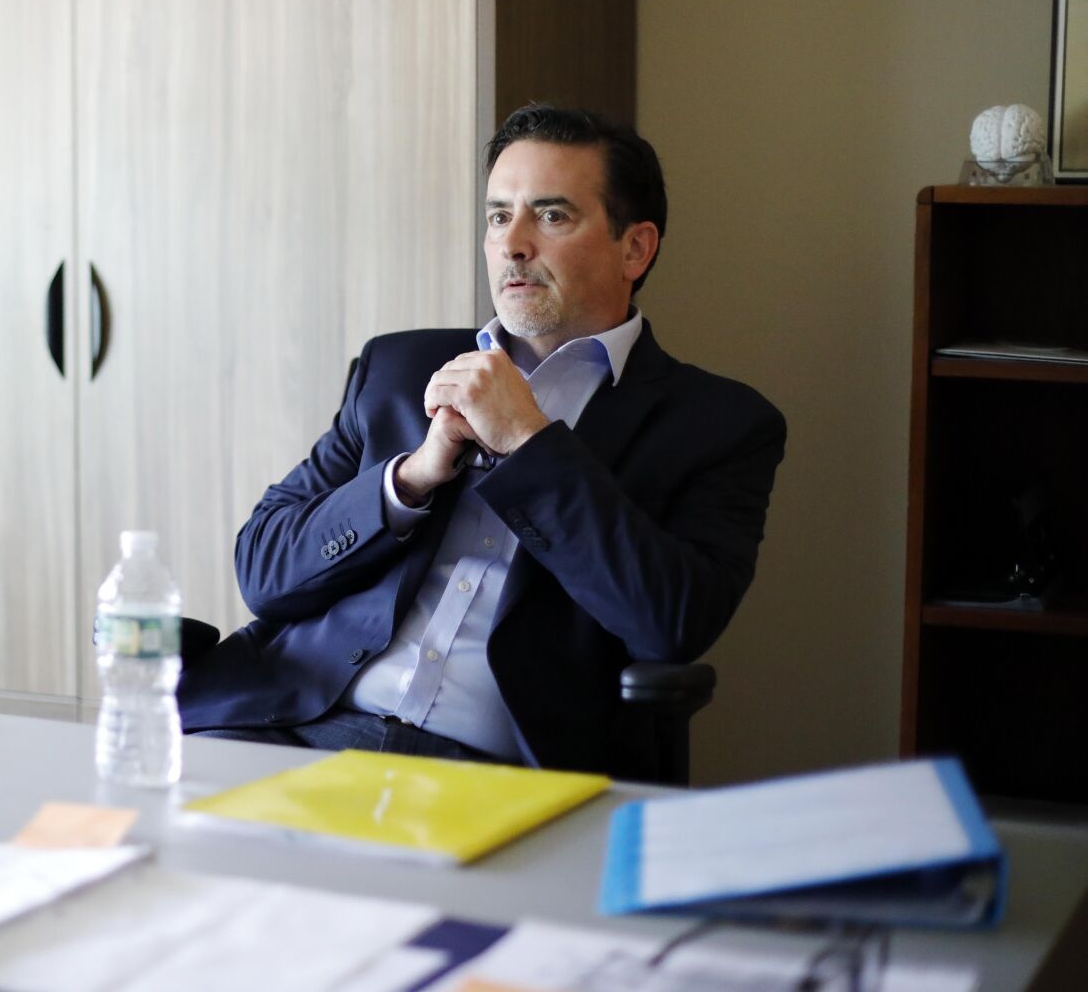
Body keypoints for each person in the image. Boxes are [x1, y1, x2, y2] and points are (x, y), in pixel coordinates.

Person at [178, 104, 786, 775]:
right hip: (290, 729)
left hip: (491, 773)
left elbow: (669, 621)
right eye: (499, 216)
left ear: (634, 247)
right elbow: (263, 571)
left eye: (551, 215)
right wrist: (408, 479)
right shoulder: (397, 369)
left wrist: (529, 442)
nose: (513, 243)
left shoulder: (719, 424)